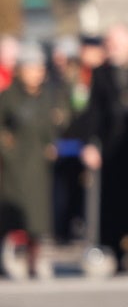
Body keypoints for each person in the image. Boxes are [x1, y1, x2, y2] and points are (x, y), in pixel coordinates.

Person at [75, 24, 128, 271]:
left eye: (117, 44)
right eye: (110, 45)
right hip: (111, 149)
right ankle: (116, 251)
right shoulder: (101, 73)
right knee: (113, 204)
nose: (112, 49)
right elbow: (93, 112)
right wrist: (89, 144)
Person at [0, 46, 69, 279]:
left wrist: (53, 144)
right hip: (13, 167)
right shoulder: (9, 96)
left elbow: (57, 122)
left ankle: (33, 260)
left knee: (37, 218)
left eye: (39, 69)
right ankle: (9, 256)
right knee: (11, 214)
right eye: (31, 68)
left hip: (39, 166)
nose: (36, 73)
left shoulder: (48, 96)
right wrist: (8, 150)